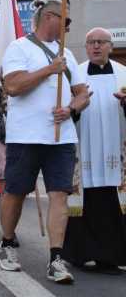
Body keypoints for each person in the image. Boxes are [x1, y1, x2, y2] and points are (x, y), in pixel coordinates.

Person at [0, 0, 90, 283]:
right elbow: (12, 86)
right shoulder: (20, 48)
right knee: (16, 192)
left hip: (60, 139)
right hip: (26, 136)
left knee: (60, 194)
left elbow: (83, 93)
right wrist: (49, 70)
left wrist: (71, 107)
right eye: (66, 21)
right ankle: (7, 243)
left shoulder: (67, 55)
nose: (68, 27)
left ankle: (56, 258)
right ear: (49, 17)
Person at [63, 27, 126, 274]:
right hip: (84, 150)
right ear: (86, 47)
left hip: (116, 154)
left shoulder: (124, 75)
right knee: (83, 202)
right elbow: (66, 111)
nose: (96, 46)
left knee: (112, 203)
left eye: (101, 42)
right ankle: (79, 253)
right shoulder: (74, 75)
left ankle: (110, 257)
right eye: (91, 42)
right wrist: (75, 109)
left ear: (111, 46)